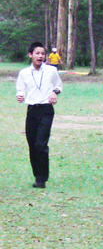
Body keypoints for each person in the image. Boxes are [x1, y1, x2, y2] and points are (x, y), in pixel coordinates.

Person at [16, 42, 63, 188]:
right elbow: (20, 89)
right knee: (32, 144)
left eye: (43, 54)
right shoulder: (23, 73)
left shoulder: (51, 71)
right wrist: (20, 95)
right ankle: (37, 175)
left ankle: (42, 178)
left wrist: (55, 93)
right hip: (32, 111)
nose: (40, 56)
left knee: (40, 144)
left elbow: (58, 86)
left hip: (46, 110)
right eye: (37, 53)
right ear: (31, 55)